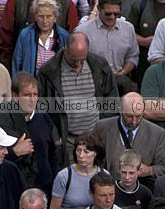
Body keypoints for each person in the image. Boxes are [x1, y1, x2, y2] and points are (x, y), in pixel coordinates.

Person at [38, 32, 119, 163]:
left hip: (96, 137)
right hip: (68, 140)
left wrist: (103, 125)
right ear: (65, 51)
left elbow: (112, 97)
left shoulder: (100, 65)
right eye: (74, 60)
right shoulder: (48, 72)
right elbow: (42, 108)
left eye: (82, 59)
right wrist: (55, 135)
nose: (78, 64)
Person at [0, 73, 61, 196]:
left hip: (45, 190)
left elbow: (53, 155)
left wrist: (55, 186)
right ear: (15, 96)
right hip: (11, 191)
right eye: (27, 95)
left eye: (35, 95)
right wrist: (13, 152)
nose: (32, 99)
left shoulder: (44, 119)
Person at [0, 0, 79, 63]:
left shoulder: (66, 3)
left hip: (56, 68)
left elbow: (72, 37)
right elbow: (6, 36)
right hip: (24, 66)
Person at [95, 93, 165, 183]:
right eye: (129, 116)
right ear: (120, 110)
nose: (134, 121)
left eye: (138, 116)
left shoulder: (157, 133)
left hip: (139, 189)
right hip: (108, 186)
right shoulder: (102, 127)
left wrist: (150, 170)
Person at [49, 131, 110, 209]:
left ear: (96, 153)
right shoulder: (64, 176)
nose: (81, 155)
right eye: (78, 150)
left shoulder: (104, 175)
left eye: (86, 152)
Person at [12, 0, 70, 77]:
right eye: (41, 16)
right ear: (35, 17)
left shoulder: (63, 36)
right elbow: (17, 63)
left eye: (49, 16)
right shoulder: (25, 35)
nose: (45, 21)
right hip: (32, 85)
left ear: (55, 18)